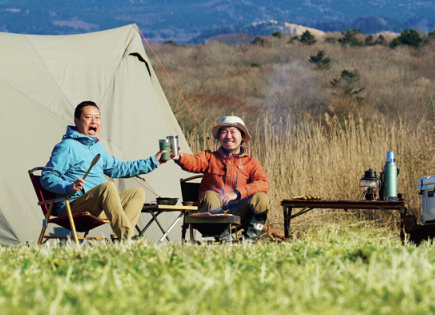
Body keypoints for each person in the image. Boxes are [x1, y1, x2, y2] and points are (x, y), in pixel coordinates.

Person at [41, 100, 168, 241]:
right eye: (88, 117)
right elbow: (47, 176)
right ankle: (126, 238)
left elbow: (119, 168)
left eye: (97, 117)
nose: (94, 121)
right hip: (72, 206)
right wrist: (69, 187)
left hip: (99, 205)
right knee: (107, 187)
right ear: (76, 121)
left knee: (137, 193)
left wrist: (154, 161)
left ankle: (117, 240)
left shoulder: (97, 147)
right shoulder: (67, 146)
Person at [173, 115, 270, 241]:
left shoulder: (251, 163)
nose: (228, 136)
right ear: (219, 137)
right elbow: (194, 162)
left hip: (239, 213)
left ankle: (247, 243)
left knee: (261, 198)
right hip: (210, 212)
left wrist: (237, 193)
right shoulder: (209, 157)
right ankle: (224, 241)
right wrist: (179, 157)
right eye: (224, 132)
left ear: (242, 137)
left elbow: (263, 183)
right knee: (210, 196)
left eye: (233, 132)